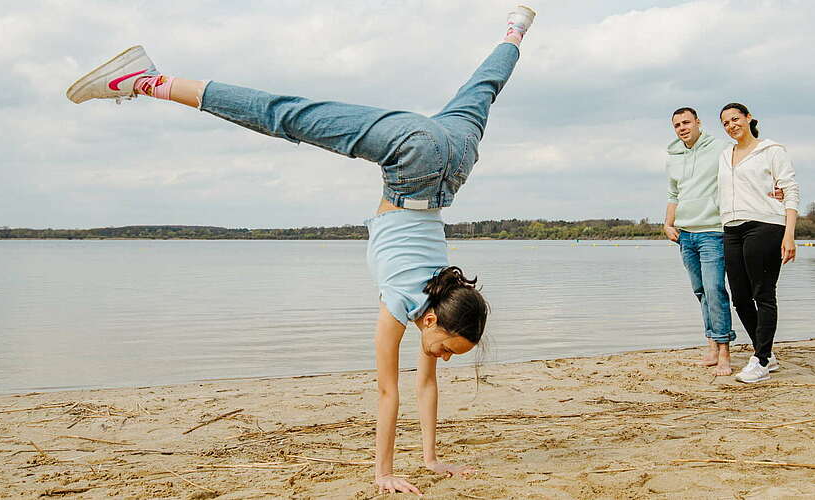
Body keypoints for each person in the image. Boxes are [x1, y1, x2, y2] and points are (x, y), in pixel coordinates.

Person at [66, 6, 537, 495]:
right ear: (434, 323)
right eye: (447, 350)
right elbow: (388, 392)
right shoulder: (400, 307)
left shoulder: (442, 294)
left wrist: (431, 461)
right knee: (284, 115)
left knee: (483, 90)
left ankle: (514, 31)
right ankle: (146, 80)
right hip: (412, 156)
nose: (443, 360)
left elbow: (424, 387)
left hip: (455, 159)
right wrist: (383, 474)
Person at [664, 107, 782, 377]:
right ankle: (713, 346)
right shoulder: (672, 157)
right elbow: (673, 193)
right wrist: (668, 223)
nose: (682, 128)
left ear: (698, 123)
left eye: (686, 122)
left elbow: (748, 164)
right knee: (701, 291)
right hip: (686, 234)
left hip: (715, 231)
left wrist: (776, 189)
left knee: (716, 289)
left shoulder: (721, 148)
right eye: (677, 125)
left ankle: (725, 354)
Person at [716, 102, 799, 384]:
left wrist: (789, 234)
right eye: (725, 123)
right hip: (731, 228)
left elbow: (790, 191)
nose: (731, 126)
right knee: (739, 297)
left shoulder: (772, 150)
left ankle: (761, 360)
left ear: (749, 118)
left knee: (763, 293)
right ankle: (766, 352)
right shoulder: (725, 155)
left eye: (735, 119)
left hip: (765, 225)